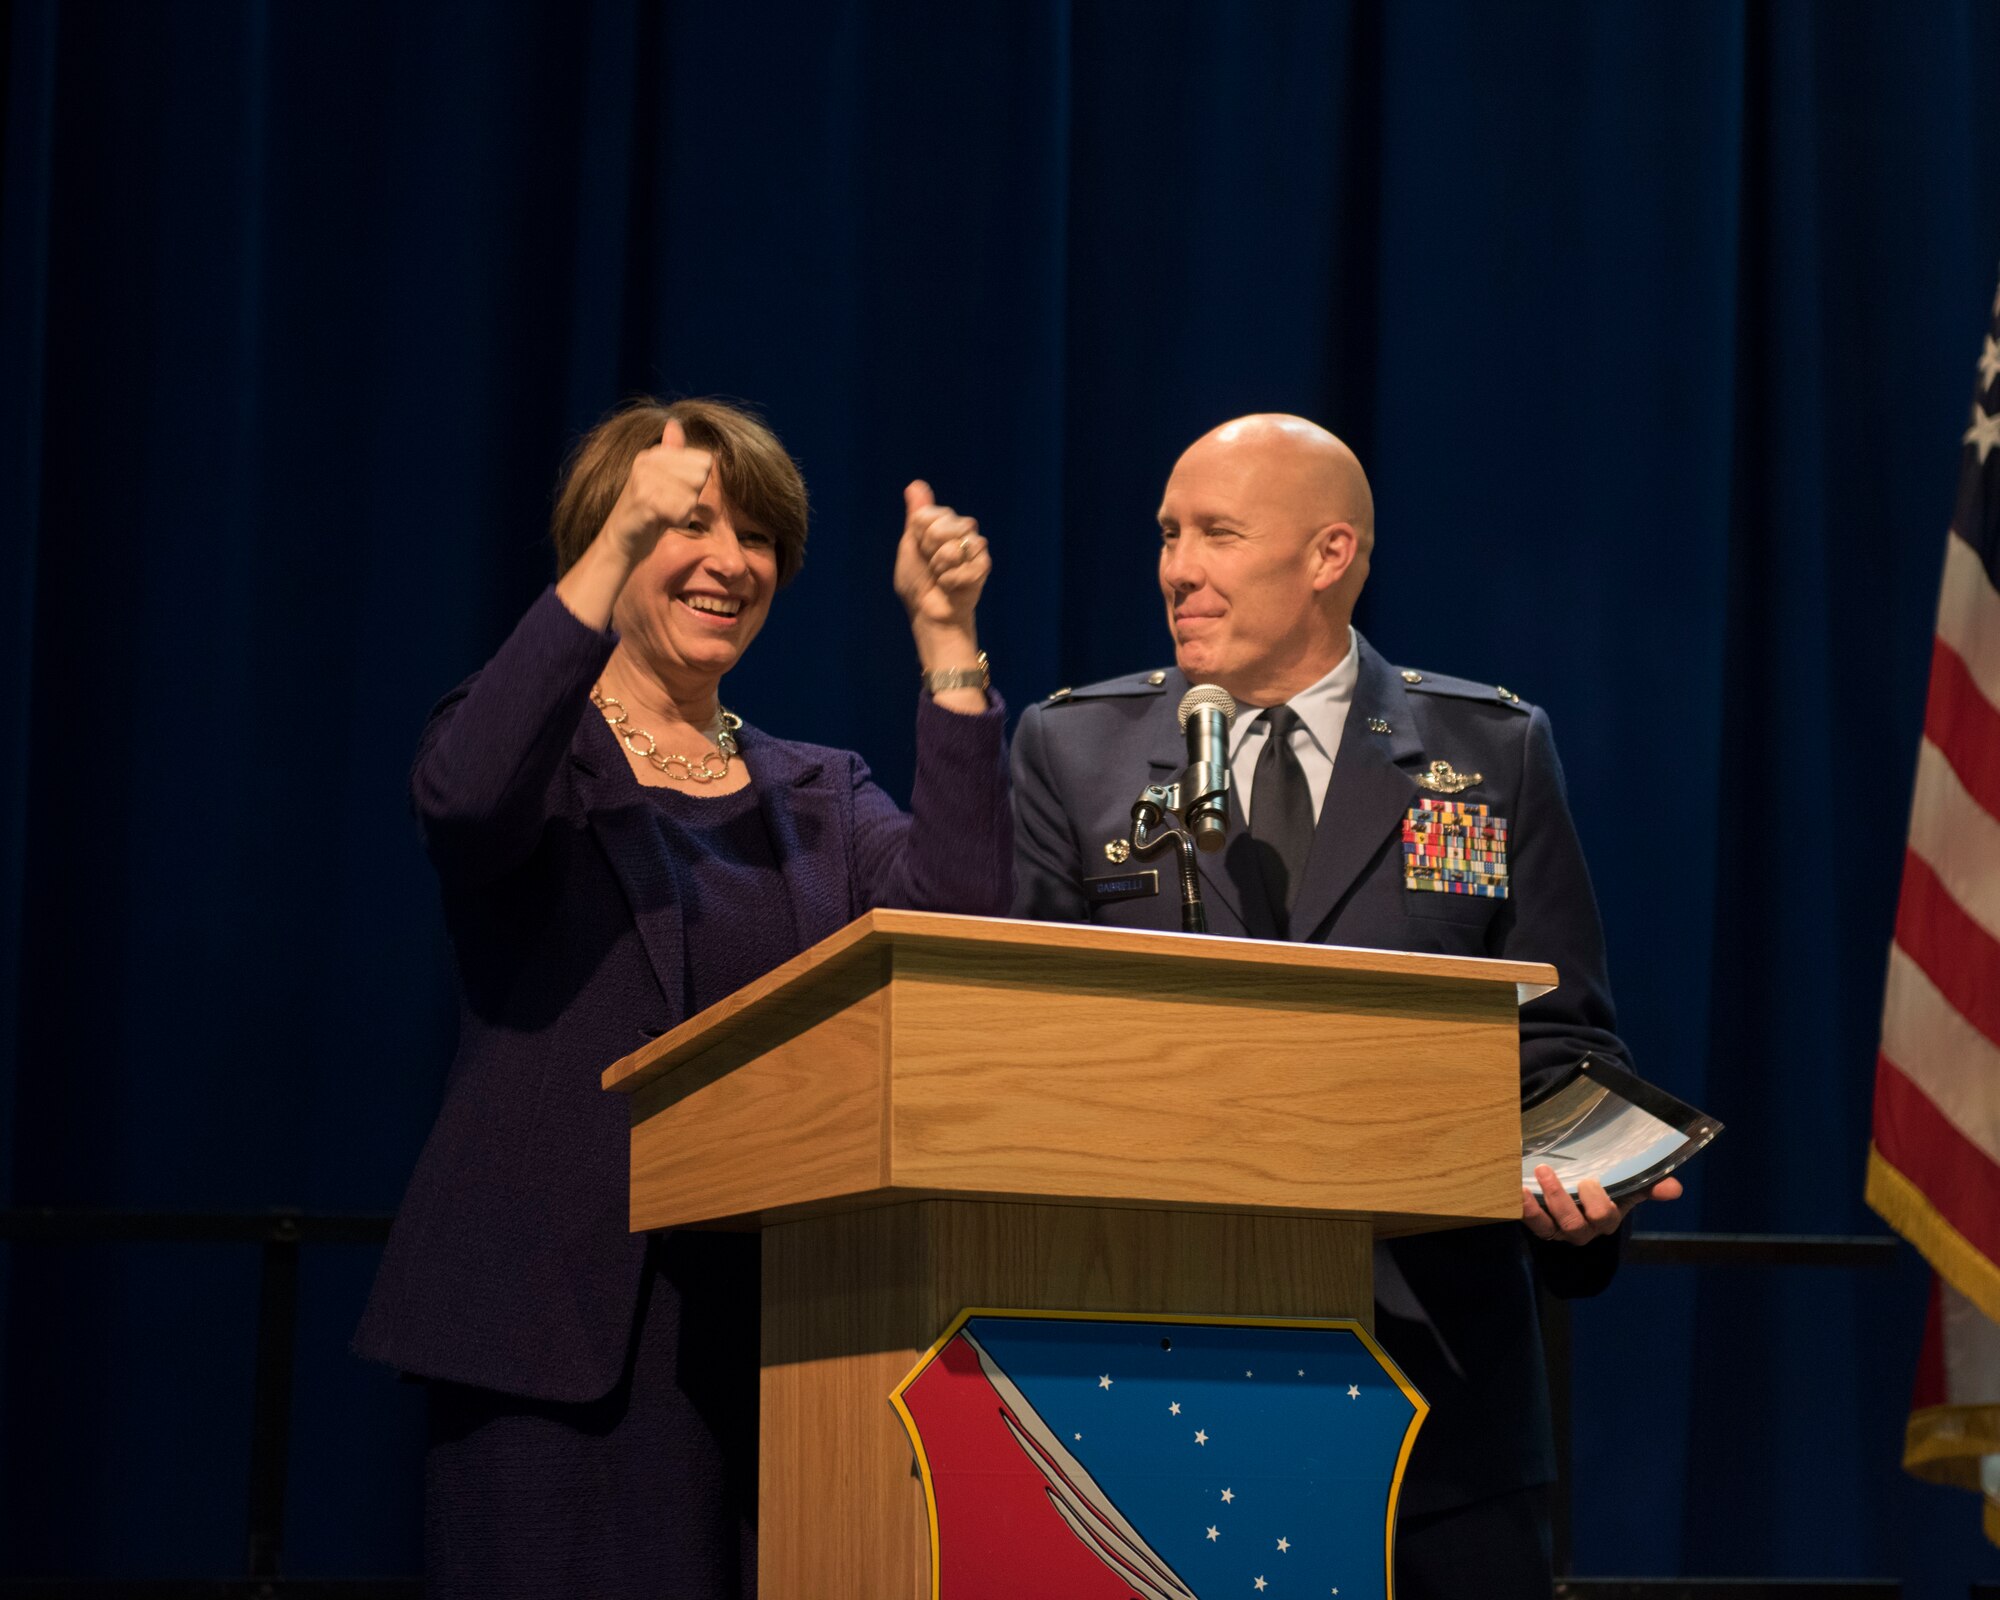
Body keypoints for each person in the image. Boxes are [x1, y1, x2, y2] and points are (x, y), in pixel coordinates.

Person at [1010, 413, 1678, 1600]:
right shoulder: (1076, 750)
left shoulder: (1489, 748)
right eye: (1167, 534)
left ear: (1328, 555)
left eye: (1215, 533)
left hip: (1440, 1397)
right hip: (1154, 1375)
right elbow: (1028, 1053)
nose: (1176, 568)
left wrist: (1581, 1181)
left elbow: (1561, 1037)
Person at [354, 397, 1012, 1599]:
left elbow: (956, 933)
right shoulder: (531, 754)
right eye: (687, 524)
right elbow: (461, 802)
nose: (729, 560)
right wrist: (609, 550)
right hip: (558, 1332)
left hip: (789, 1337)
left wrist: (946, 643)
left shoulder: (818, 788)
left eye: (756, 535)